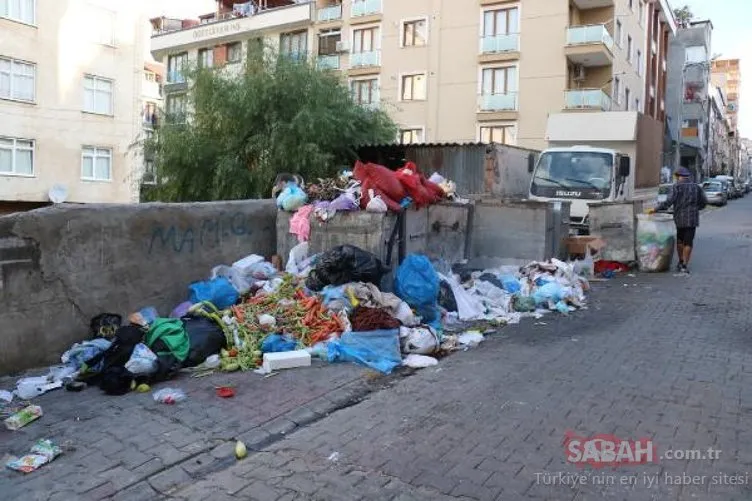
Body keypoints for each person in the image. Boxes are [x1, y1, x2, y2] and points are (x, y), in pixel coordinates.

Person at [648, 167, 707, 274]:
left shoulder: (676, 187)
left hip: (679, 218)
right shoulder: (696, 187)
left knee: (680, 239)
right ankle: (684, 265)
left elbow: (668, 202)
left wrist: (655, 209)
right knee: (688, 242)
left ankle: (680, 261)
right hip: (692, 219)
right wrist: (696, 209)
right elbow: (704, 202)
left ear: (679, 177)